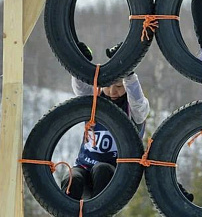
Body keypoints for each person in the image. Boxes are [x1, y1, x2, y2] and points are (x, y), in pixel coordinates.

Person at [59, 42, 152, 200]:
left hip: (114, 175)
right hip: (84, 168)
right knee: (71, 179)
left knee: (102, 169)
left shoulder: (133, 110)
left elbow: (139, 101)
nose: (112, 91)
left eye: (119, 87)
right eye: (107, 86)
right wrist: (80, 62)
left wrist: (128, 72)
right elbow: (80, 88)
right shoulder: (95, 101)